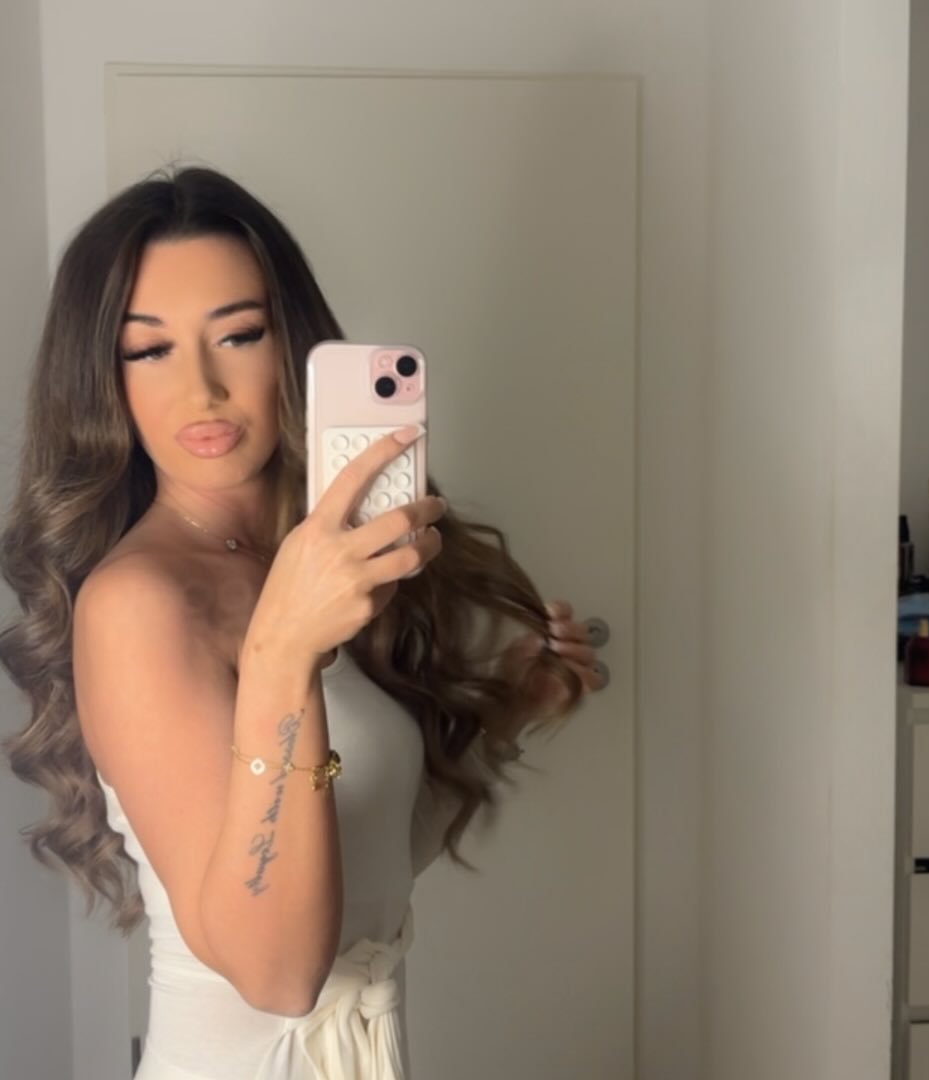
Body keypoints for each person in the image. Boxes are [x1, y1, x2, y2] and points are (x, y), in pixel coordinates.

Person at [0, 165, 607, 1078]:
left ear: (292, 344)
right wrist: (282, 655)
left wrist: (515, 706)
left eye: (238, 334)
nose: (202, 388)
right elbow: (278, 976)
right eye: (148, 349)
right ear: (102, 379)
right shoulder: (139, 604)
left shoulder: (307, 564)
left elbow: (368, 866)